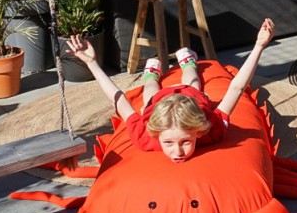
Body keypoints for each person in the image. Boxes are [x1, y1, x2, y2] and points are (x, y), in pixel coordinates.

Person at [65, 18, 276, 163]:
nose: (178, 152)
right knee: (150, 92)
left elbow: (238, 88)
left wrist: (259, 46)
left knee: (193, 82)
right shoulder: (147, 134)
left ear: (198, 132)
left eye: (186, 141)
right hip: (159, 104)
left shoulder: (210, 128)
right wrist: (91, 63)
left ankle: (187, 60)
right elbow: (117, 99)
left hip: (190, 98)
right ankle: (151, 73)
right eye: (168, 142)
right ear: (157, 134)